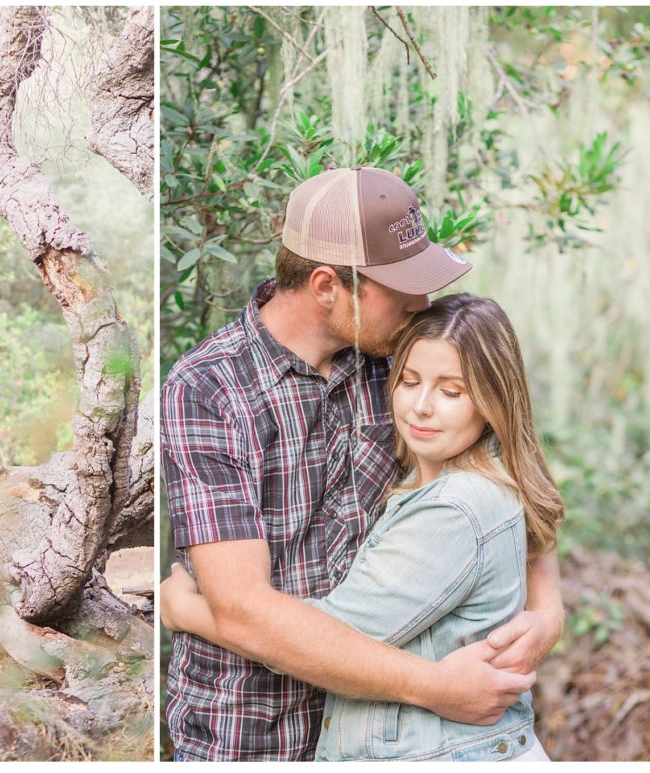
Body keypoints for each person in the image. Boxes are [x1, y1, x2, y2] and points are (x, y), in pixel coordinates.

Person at [160, 166, 564, 761]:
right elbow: (242, 611)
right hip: (249, 726)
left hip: (382, 736)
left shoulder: (403, 365)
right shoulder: (209, 390)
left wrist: (547, 609)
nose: (421, 302)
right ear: (327, 286)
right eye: (399, 286)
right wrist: (434, 686)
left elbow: (509, 469)